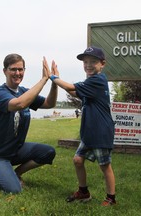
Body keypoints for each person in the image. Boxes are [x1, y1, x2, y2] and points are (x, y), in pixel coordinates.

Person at [46, 46, 116, 206]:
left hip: (100, 132)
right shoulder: (90, 83)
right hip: (89, 133)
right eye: (85, 62)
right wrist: (57, 79)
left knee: (105, 166)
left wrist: (51, 77)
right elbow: (74, 92)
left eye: (93, 61)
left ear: (102, 63)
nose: (88, 65)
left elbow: (71, 87)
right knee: (78, 160)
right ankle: (83, 192)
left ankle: (111, 198)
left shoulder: (98, 80)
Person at [0, 54, 58, 194]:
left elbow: (49, 103)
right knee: (14, 189)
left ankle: (14, 173)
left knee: (48, 152)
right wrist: (44, 79)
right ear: (5, 71)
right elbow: (19, 104)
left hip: (14, 149)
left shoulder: (24, 92)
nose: (17, 73)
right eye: (13, 69)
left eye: (21, 69)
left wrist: (54, 83)